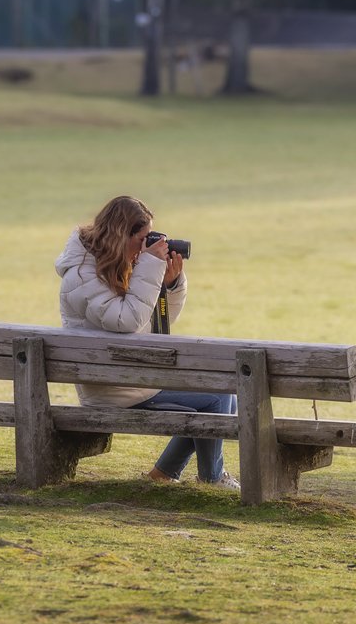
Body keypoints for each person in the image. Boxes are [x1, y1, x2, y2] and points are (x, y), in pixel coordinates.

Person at [54, 196, 239, 490]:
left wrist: (167, 285)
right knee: (217, 399)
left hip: (128, 378)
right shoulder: (81, 276)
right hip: (112, 389)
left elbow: (155, 329)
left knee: (226, 399)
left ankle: (165, 473)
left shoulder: (116, 265)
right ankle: (212, 480)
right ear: (121, 234)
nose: (146, 247)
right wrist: (150, 267)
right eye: (143, 239)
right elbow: (126, 321)